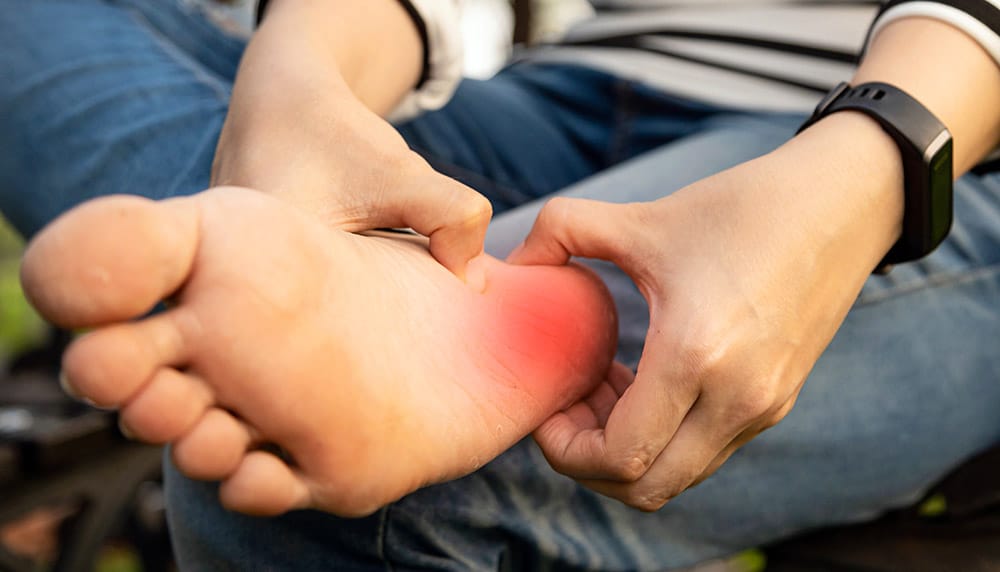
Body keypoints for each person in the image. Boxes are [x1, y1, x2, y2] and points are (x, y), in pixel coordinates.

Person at [1, 0, 998, 570]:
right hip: (569, 89)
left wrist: (864, 171)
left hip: (939, 141)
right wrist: (303, 76)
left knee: (332, 491)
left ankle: (392, 302)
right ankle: (329, 255)